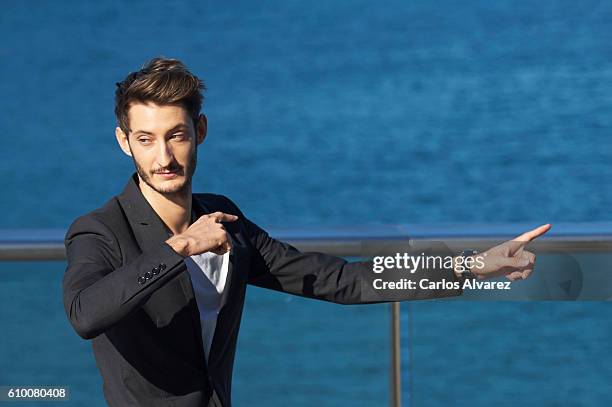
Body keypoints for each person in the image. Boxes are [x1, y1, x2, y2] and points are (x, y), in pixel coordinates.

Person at [62, 57, 551, 407]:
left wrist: (471, 266)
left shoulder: (224, 219)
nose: (163, 157)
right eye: (146, 139)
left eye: (177, 135)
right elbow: (86, 314)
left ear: (201, 131)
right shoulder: (100, 230)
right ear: (124, 142)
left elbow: (344, 280)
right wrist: (181, 247)